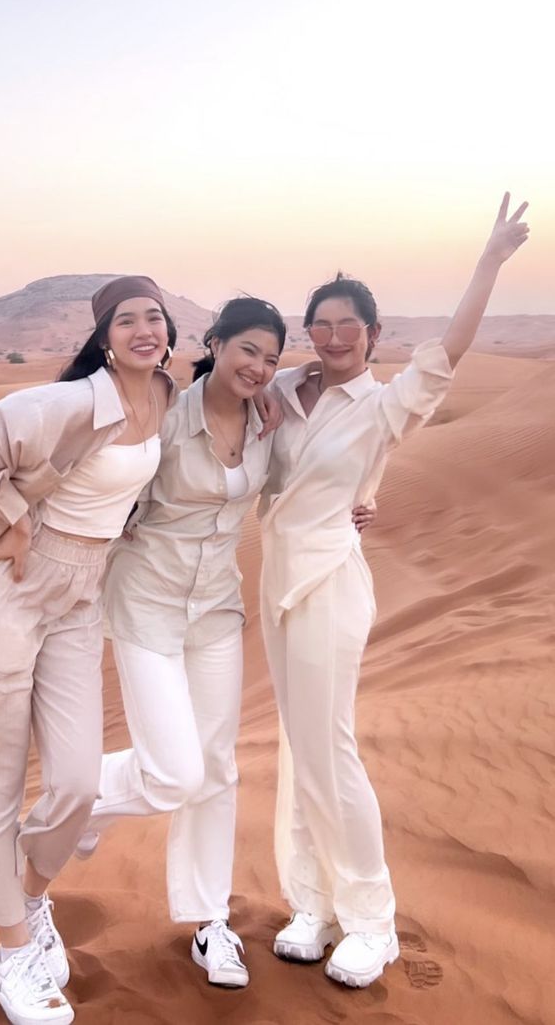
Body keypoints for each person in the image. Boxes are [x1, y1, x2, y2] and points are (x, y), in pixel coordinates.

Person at [260, 194, 529, 989]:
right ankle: (312, 902)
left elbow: (447, 351)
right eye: (322, 324)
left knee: (329, 745)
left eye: (349, 326)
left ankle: (371, 920)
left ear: (372, 335)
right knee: (296, 745)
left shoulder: (383, 405)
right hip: (275, 580)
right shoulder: (279, 391)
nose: (335, 337)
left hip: (331, 580)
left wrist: (486, 261)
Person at [75, 297, 374, 989]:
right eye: (246, 350)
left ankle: (210, 921)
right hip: (145, 600)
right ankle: (78, 792)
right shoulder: (163, 412)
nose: (259, 366)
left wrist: (367, 498)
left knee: (216, 766)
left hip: (214, 607)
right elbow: (103, 475)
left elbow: (333, 448)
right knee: (172, 768)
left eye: (270, 357)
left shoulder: (270, 418)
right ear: (213, 342)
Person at [0, 276, 176, 1025]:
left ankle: (30, 899)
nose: (142, 329)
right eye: (126, 320)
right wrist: (12, 514)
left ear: (168, 331)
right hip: (14, 589)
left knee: (72, 780)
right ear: (103, 338)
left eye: (154, 317)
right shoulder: (69, 402)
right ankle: (12, 953)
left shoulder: (165, 395)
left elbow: (240, 392)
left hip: (80, 597)